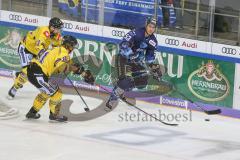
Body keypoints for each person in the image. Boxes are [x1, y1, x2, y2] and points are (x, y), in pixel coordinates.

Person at [25, 35, 94, 122]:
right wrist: (78, 70)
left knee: (47, 92)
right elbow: (62, 66)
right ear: (68, 45)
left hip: (34, 70)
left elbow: (70, 65)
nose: (73, 49)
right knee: (57, 93)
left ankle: (32, 112)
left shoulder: (57, 49)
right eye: (72, 46)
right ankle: (54, 115)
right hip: (38, 73)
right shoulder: (63, 52)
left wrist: (83, 73)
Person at [106, 17, 162, 110]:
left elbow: (149, 58)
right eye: (149, 26)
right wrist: (130, 53)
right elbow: (123, 44)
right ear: (146, 25)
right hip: (123, 59)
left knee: (143, 81)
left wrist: (155, 69)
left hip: (135, 61)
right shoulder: (136, 33)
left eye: (153, 27)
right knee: (123, 82)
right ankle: (112, 99)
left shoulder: (153, 42)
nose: (151, 29)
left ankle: (123, 89)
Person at [8, 17, 64, 99]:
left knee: (29, 72)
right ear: (52, 27)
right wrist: (43, 54)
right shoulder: (43, 30)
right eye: (58, 29)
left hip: (36, 53)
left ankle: (17, 75)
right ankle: (14, 88)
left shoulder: (56, 36)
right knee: (27, 72)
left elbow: (58, 49)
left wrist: (60, 59)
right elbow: (39, 44)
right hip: (25, 48)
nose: (59, 31)